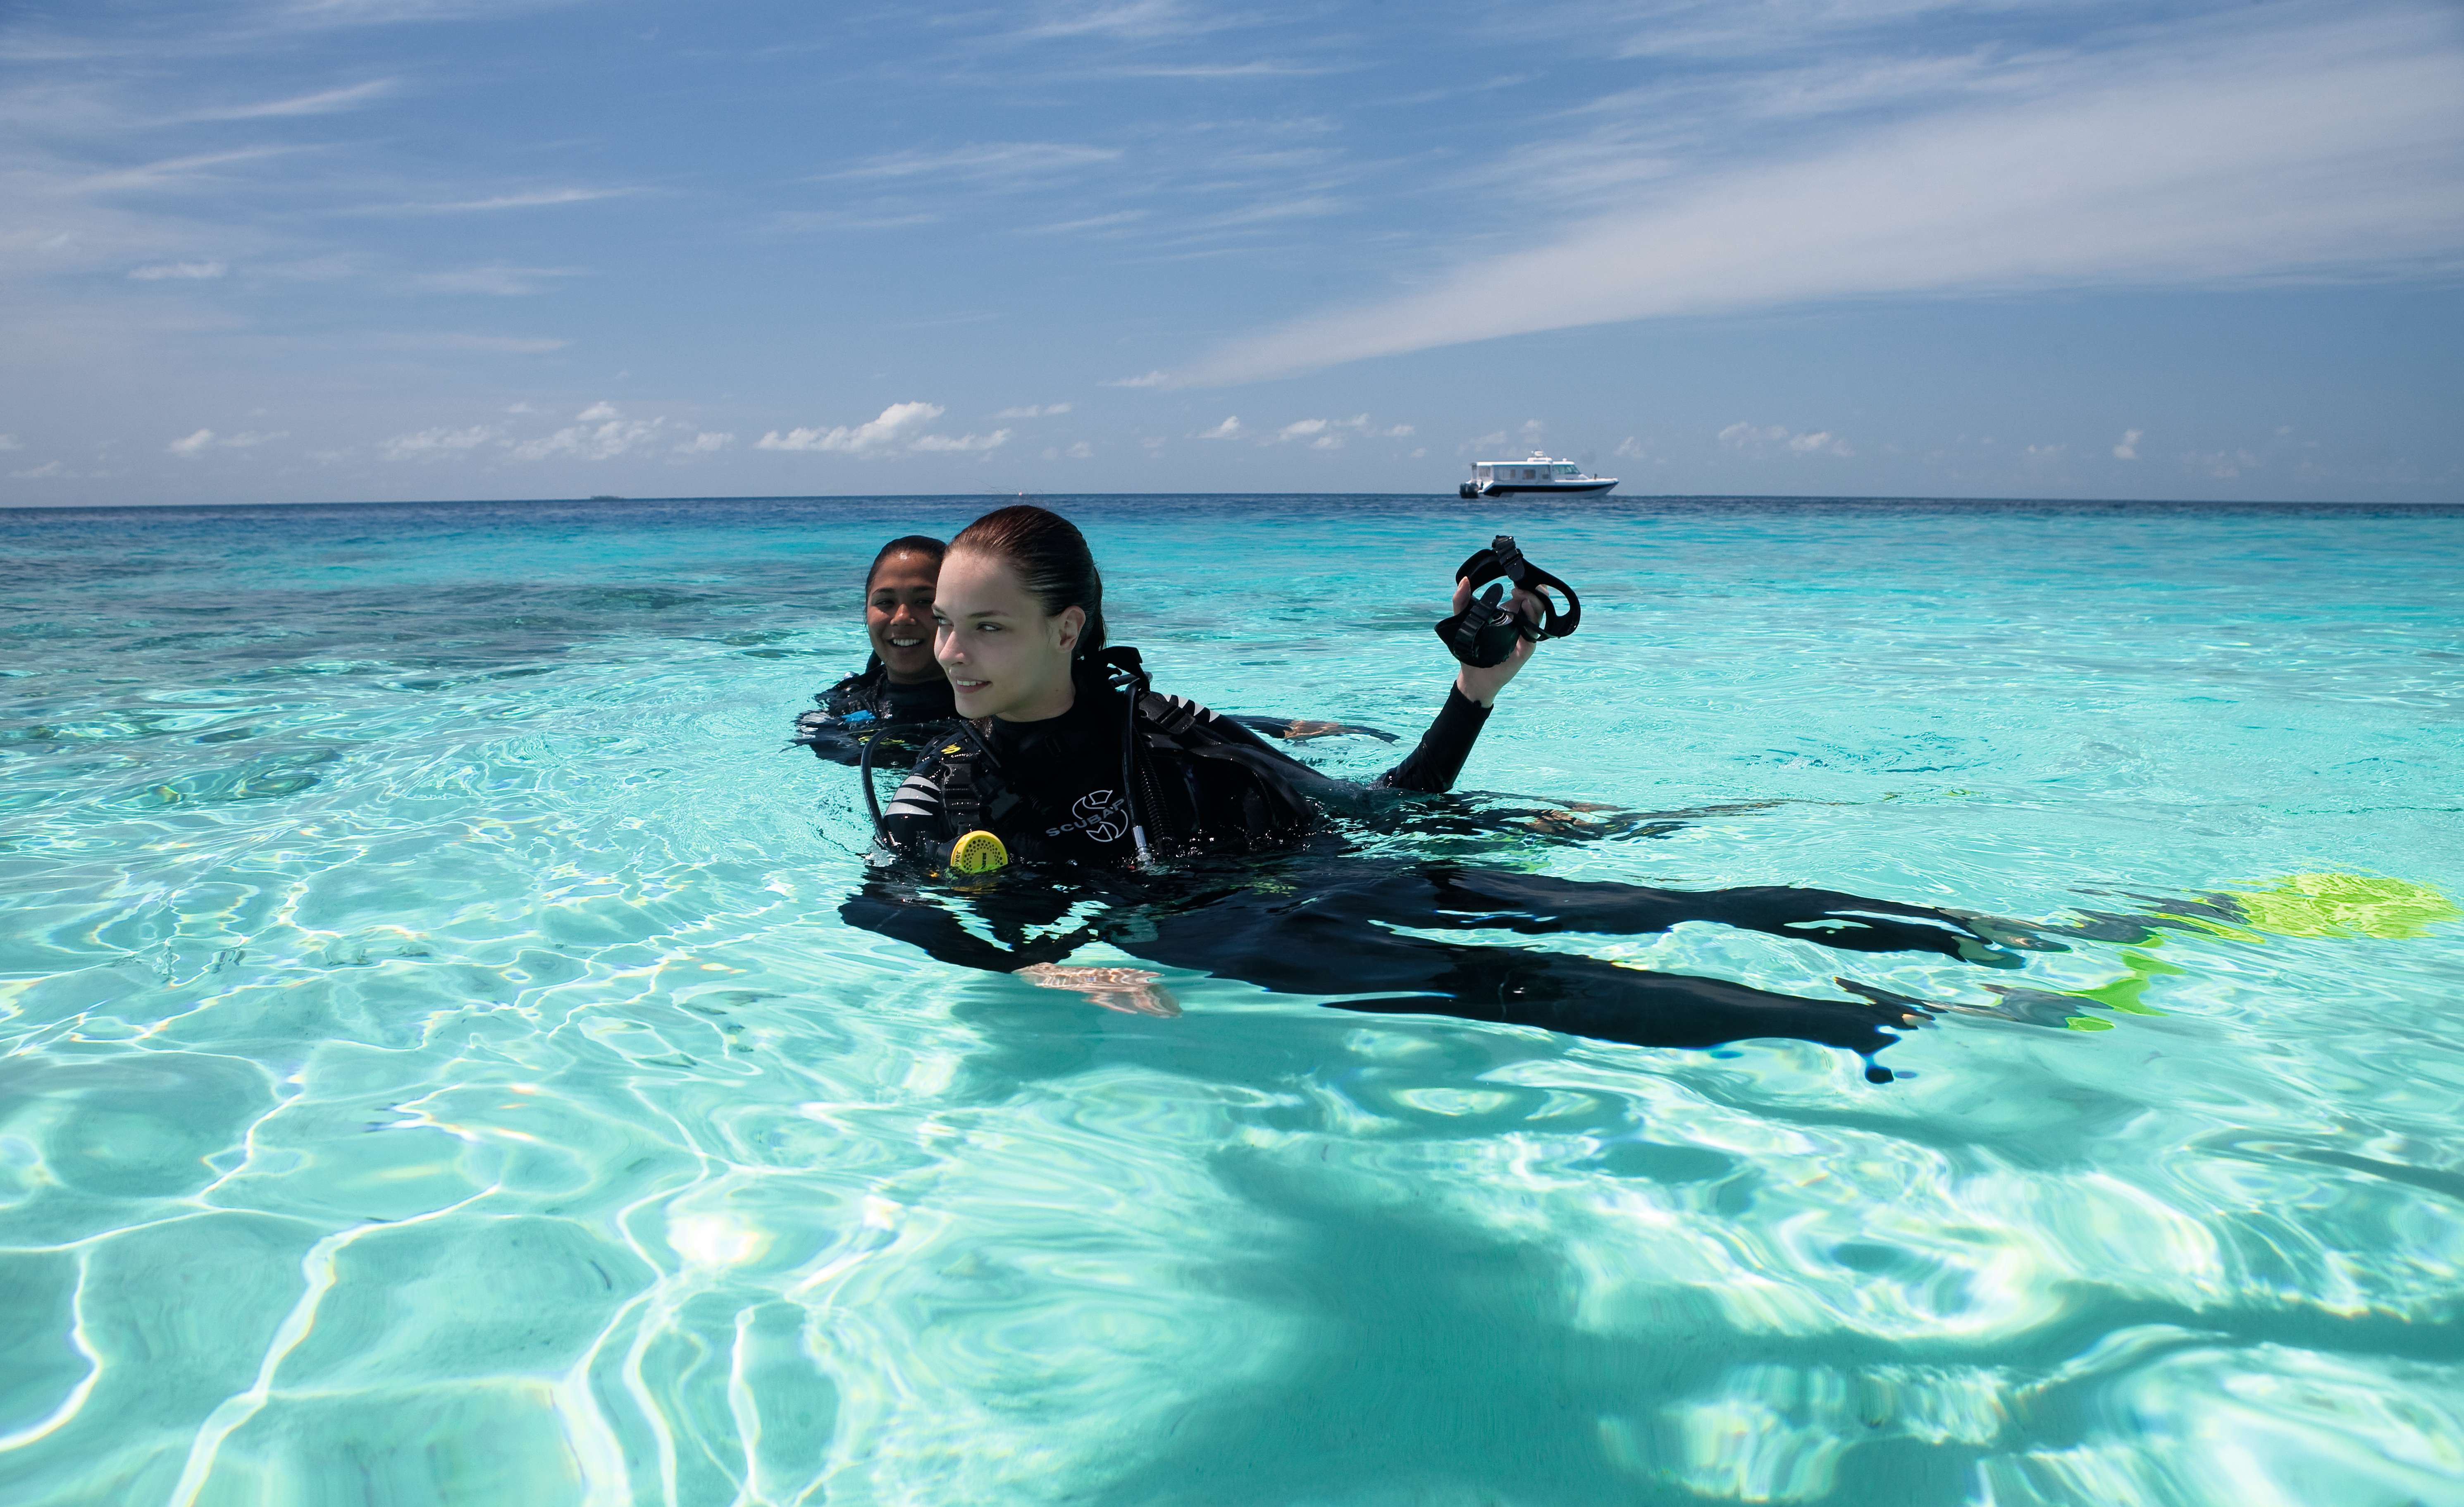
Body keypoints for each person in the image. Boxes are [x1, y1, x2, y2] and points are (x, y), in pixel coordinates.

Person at [844, 506, 2036, 1079]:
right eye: (947, 626)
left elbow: (1375, 806)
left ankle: (1983, 938)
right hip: (1224, 931)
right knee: (1519, 989)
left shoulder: (1175, 730)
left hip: (1323, 876)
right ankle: (1884, 1023)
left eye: (986, 627)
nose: (950, 652)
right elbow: (886, 904)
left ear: (1069, 625)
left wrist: (1472, 694)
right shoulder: (948, 781)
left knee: (1633, 903)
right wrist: (1031, 964)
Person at [794, 535, 960, 767]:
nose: (902, 618)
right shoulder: (845, 706)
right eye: (885, 603)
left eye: (924, 601)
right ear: (866, 613)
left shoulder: (993, 711)